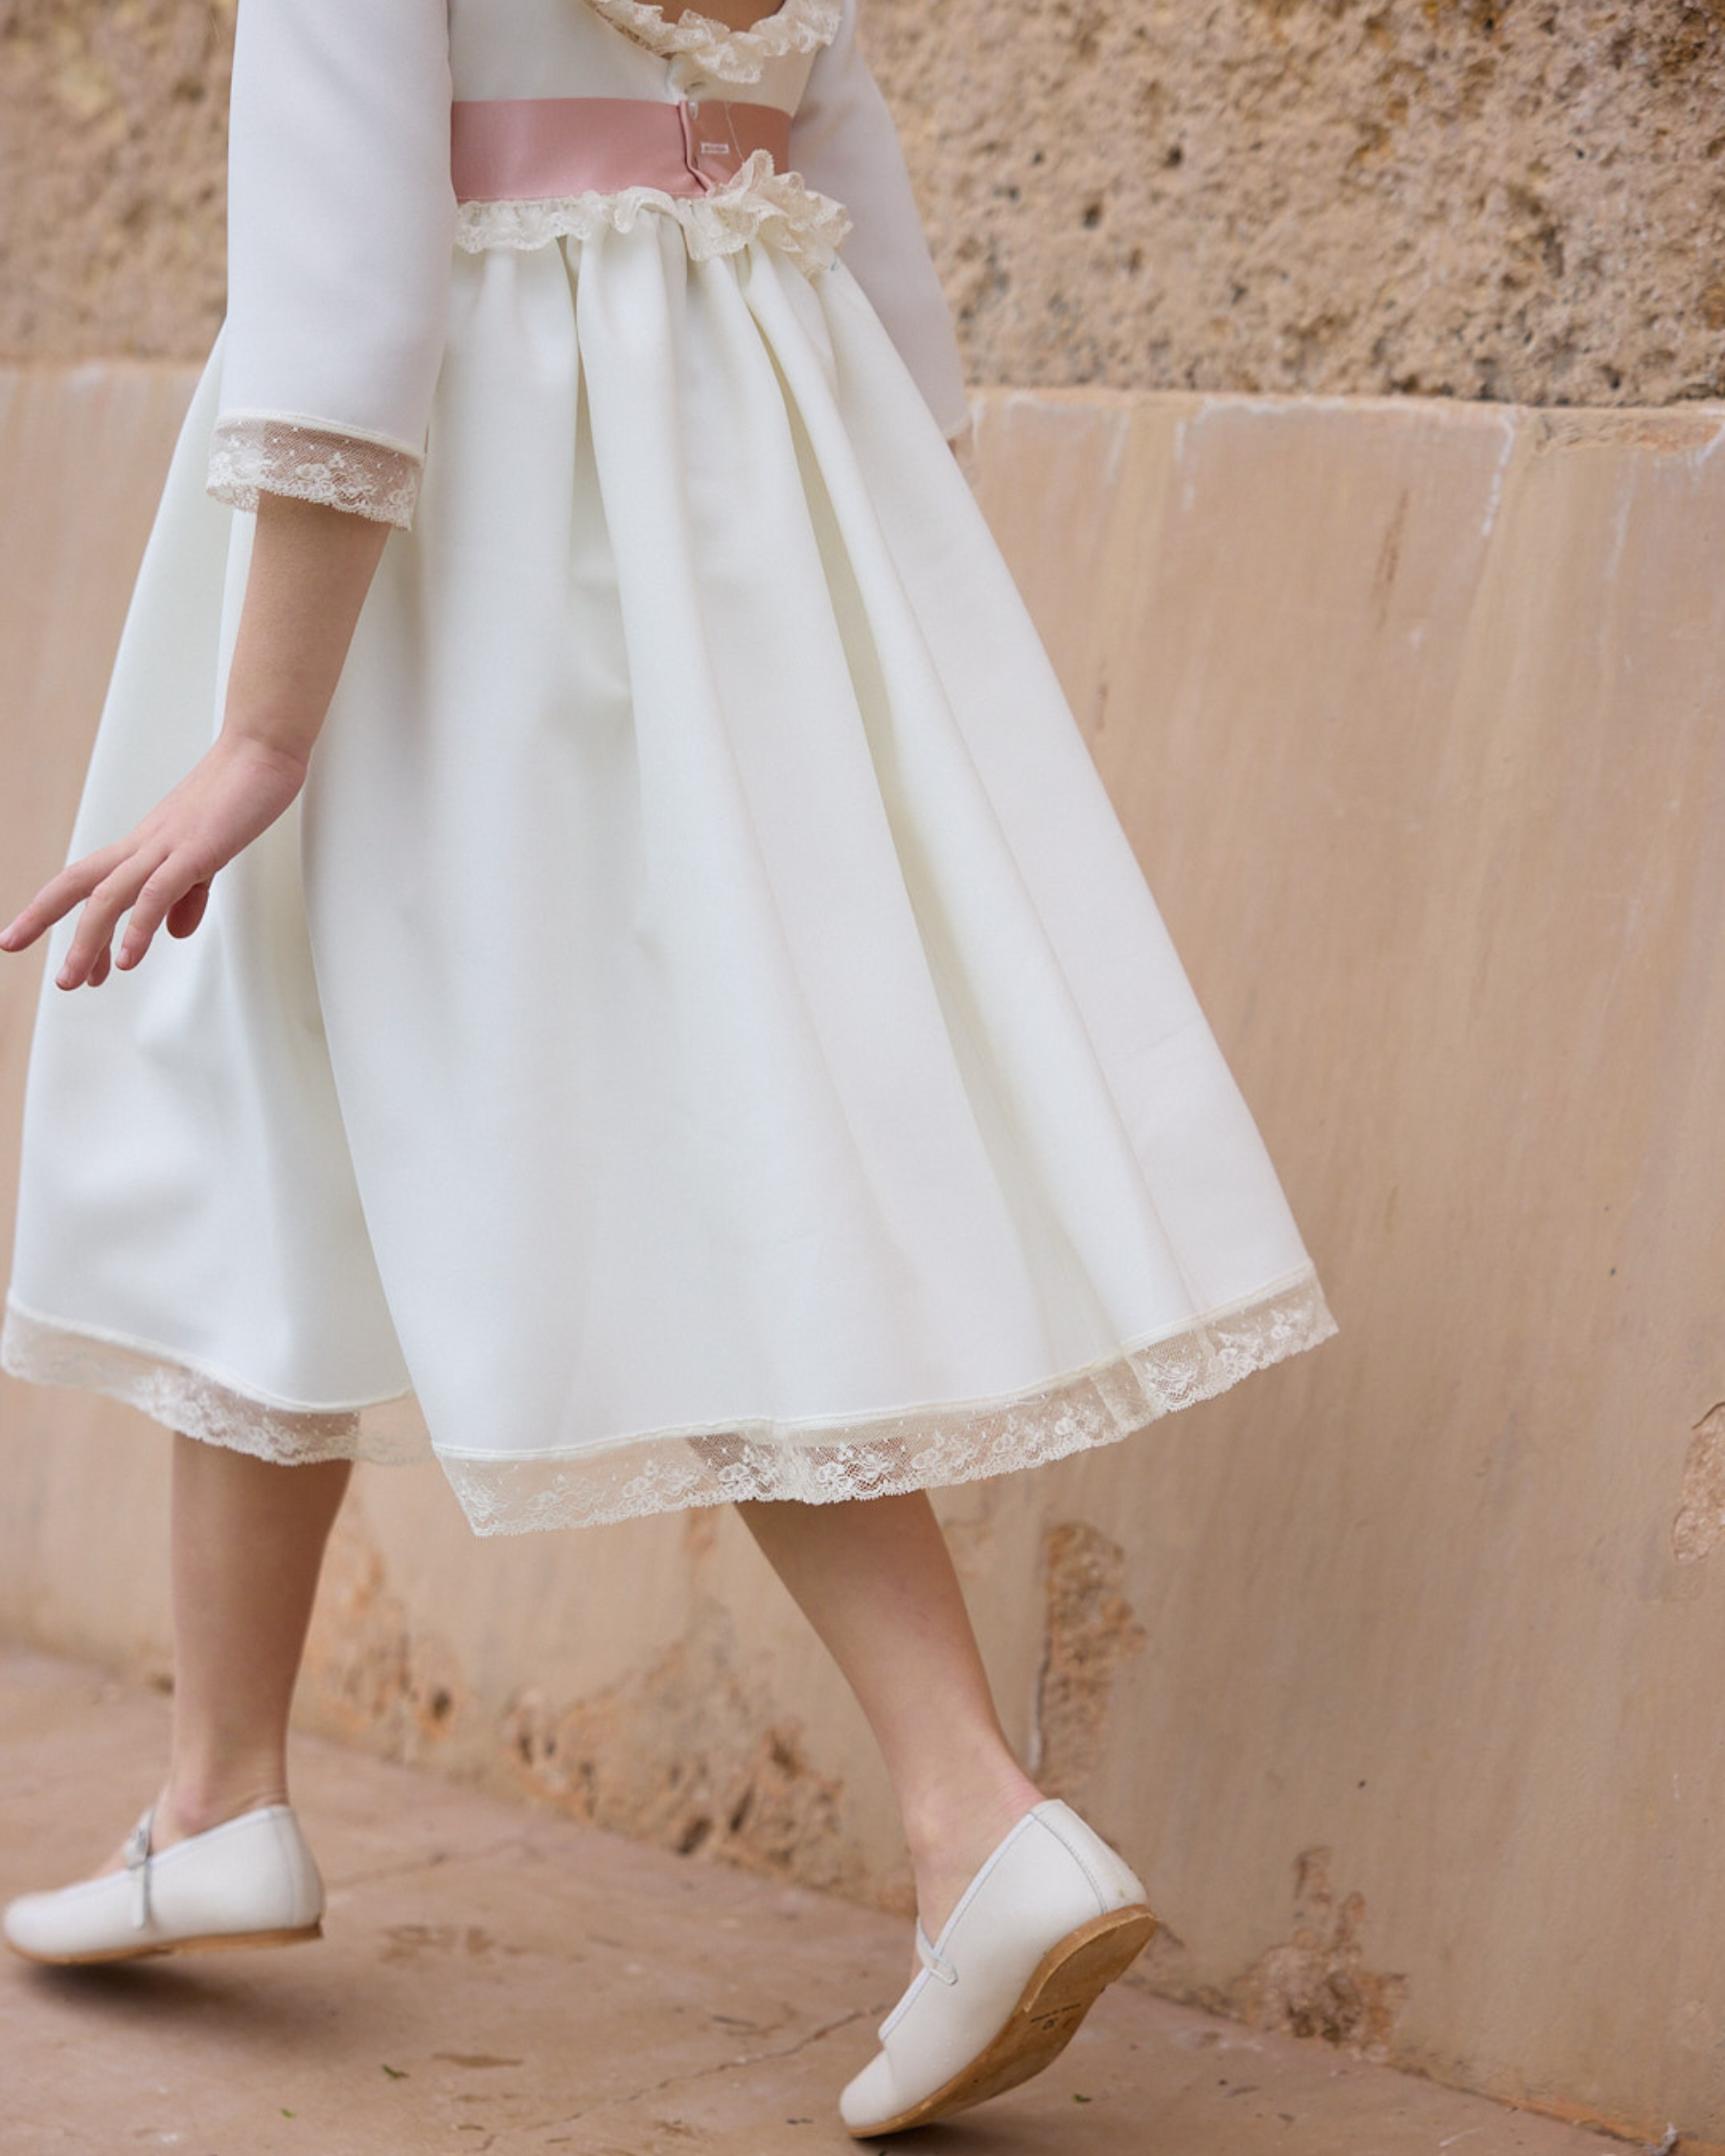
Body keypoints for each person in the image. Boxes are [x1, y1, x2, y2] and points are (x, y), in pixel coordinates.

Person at [0, 0, 1336, 2135]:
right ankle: (218, 1788)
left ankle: (971, 1817)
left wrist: (259, 729)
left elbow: (343, 297)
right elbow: (878, 279)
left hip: (459, 541)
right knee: (473, 1088)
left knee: (447, 1081)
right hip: (733, 514)